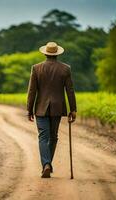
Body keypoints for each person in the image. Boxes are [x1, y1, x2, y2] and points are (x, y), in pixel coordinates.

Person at [27, 42, 77, 178]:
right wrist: (73, 109)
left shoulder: (36, 68)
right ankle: (47, 164)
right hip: (57, 108)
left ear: (45, 53)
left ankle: (46, 164)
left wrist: (29, 110)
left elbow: (32, 91)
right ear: (57, 54)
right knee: (53, 137)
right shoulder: (65, 69)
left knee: (43, 137)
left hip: (41, 108)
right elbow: (70, 91)